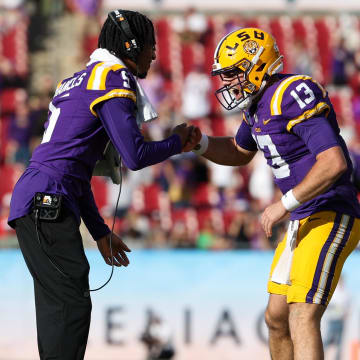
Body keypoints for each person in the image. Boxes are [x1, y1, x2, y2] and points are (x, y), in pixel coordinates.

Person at [8, 10, 200, 360]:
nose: (154, 55)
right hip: (47, 199)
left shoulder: (78, 79)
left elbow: (75, 173)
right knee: (70, 306)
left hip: (40, 194)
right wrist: (177, 142)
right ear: (131, 45)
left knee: (60, 305)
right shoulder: (114, 77)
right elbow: (135, 156)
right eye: (150, 46)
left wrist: (98, 231)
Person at [192, 27, 360, 359]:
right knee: (276, 319)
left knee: (302, 312)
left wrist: (284, 204)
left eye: (231, 73)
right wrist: (200, 143)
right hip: (303, 218)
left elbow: (333, 162)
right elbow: (240, 152)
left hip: (331, 213)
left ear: (256, 65)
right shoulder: (256, 105)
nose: (226, 82)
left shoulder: (291, 93)